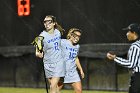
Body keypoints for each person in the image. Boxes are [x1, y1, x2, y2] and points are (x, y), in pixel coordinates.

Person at [35, 15, 65, 93]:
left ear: (54, 23)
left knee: (52, 86)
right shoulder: (41, 37)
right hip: (48, 64)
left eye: (49, 21)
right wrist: (39, 54)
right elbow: (37, 51)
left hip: (58, 62)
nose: (47, 23)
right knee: (55, 88)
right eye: (45, 22)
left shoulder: (58, 32)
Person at [106, 23, 140, 93]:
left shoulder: (135, 46)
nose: (126, 34)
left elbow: (131, 64)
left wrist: (115, 58)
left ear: (133, 33)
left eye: (128, 32)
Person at [59, 28, 84, 93]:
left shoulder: (77, 47)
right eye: (75, 35)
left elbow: (76, 58)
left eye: (79, 36)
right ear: (70, 35)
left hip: (73, 72)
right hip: (62, 72)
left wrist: (81, 70)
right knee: (55, 91)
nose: (77, 37)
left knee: (79, 91)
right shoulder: (63, 42)